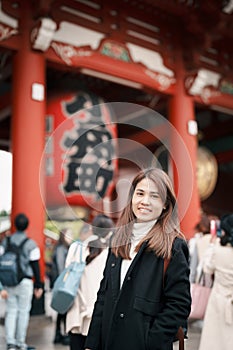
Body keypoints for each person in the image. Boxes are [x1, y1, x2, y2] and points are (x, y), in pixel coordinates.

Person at [84, 168, 191, 350]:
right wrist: (92, 344)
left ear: (165, 203)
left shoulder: (174, 245)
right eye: (140, 193)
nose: (145, 201)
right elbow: (103, 295)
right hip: (110, 341)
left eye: (154, 196)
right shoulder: (118, 240)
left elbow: (179, 305)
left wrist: (151, 341)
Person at [66, 215, 115, 350]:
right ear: (110, 231)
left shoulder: (76, 248)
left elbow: (67, 274)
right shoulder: (111, 252)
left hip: (76, 309)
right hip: (98, 313)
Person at [0, 213, 43, 350]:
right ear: (27, 227)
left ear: (14, 225)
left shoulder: (5, 242)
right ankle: (20, 343)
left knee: (11, 311)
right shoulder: (31, 244)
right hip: (25, 282)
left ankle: (10, 343)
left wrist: (1, 286)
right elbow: (35, 266)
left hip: (9, 281)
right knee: (23, 311)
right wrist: (39, 285)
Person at [198, 213, 233, 350]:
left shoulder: (218, 249)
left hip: (218, 298)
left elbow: (206, 268)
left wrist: (211, 245)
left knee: (215, 339)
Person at [51, 228, 72, 345]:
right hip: (62, 282)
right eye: (69, 235)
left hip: (60, 282)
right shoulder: (61, 249)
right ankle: (63, 334)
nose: (71, 237)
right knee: (63, 308)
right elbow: (61, 267)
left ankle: (59, 334)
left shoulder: (63, 248)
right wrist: (65, 282)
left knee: (61, 309)